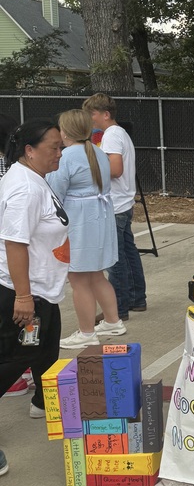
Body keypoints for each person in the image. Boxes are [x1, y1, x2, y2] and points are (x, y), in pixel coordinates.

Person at [0, 119, 69, 463]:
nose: (60, 153)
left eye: (61, 147)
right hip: (26, 293)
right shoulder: (25, 189)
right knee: (17, 356)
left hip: (44, 289)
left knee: (46, 350)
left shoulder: (34, 178)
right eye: (53, 148)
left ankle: (45, 402)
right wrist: (24, 297)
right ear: (29, 150)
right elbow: (15, 243)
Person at [47, 109, 124, 348]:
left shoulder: (66, 157)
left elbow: (54, 192)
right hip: (100, 217)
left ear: (65, 132)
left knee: (78, 278)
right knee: (96, 274)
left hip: (80, 220)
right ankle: (112, 321)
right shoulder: (97, 152)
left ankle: (87, 332)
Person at [82, 93, 146, 321]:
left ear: (105, 114)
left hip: (115, 204)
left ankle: (118, 308)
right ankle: (137, 298)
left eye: (92, 114)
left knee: (115, 258)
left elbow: (116, 169)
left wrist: (90, 169)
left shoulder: (110, 135)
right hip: (123, 202)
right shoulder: (120, 133)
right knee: (129, 252)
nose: (90, 119)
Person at [0, 112, 34, 397]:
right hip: (15, 259)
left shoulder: (12, 171)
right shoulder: (19, 168)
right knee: (22, 322)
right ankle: (23, 369)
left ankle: (20, 371)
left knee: (17, 322)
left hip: (11, 258)